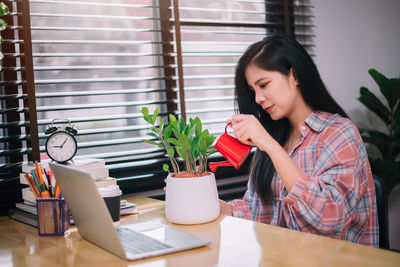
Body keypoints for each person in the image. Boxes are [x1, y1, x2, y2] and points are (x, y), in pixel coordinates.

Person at [219, 34, 378, 247]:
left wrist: (271, 147)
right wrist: (209, 203)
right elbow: (258, 213)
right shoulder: (276, 136)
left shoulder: (339, 134)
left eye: (264, 85)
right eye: (253, 91)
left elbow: (329, 219)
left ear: (294, 75)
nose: (258, 99)